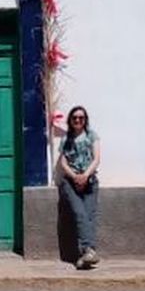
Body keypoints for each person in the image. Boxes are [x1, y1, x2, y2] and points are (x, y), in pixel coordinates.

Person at [57, 105, 101, 269]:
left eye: (81, 118)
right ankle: (89, 251)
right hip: (70, 181)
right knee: (80, 214)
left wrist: (85, 176)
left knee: (88, 217)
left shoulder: (91, 136)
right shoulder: (66, 138)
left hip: (89, 181)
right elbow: (63, 162)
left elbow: (96, 158)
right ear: (70, 120)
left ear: (85, 120)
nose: (78, 120)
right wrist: (75, 177)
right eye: (75, 118)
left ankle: (84, 257)